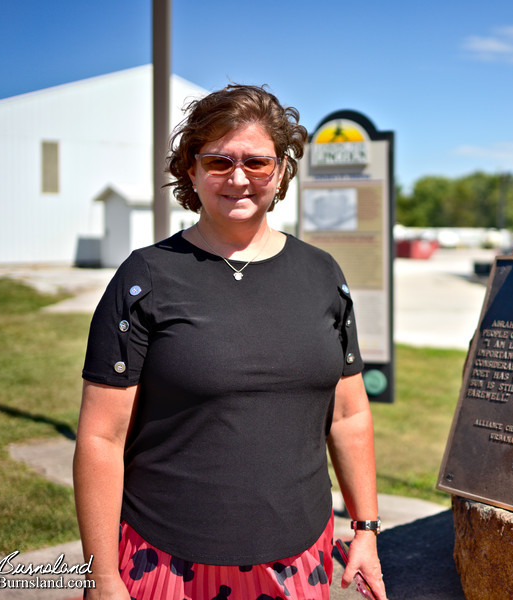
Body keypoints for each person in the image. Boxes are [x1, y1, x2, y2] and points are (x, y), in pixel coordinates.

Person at [74, 84, 387, 600]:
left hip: (298, 559)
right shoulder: (145, 277)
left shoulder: (323, 274)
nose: (238, 178)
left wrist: (366, 531)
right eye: (218, 161)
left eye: (257, 163)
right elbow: (101, 438)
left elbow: (348, 415)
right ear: (190, 171)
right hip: (168, 560)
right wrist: (102, 578)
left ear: (281, 171)